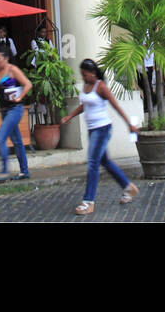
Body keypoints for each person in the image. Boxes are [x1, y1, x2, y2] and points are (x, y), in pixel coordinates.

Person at [60, 59, 139, 215]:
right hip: (92, 130)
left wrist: (129, 123)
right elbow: (85, 105)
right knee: (105, 162)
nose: (83, 77)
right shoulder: (86, 86)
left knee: (92, 163)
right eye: (81, 74)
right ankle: (129, 188)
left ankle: (88, 201)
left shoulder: (100, 86)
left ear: (93, 72)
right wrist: (70, 116)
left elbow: (116, 106)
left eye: (85, 74)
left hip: (102, 129)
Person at [0, 47, 31, 181]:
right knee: (17, 141)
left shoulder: (12, 70)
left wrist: (20, 98)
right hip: (4, 110)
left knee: (0, 138)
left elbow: (28, 84)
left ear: (6, 59)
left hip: (15, 109)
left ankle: (4, 171)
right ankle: (24, 171)